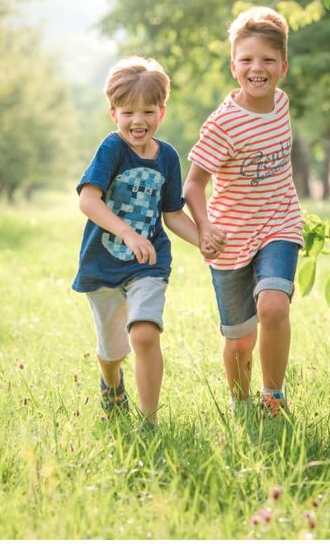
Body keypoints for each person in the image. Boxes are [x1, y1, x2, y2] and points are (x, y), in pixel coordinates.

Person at [184, 6, 304, 418]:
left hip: (280, 222)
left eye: (268, 59)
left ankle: (274, 398)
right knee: (239, 340)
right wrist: (205, 227)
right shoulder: (222, 125)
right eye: (248, 59)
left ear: (283, 66)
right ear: (233, 65)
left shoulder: (282, 104)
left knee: (273, 306)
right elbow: (193, 184)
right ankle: (240, 403)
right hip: (231, 238)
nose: (258, 68)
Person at [72, 56, 202, 425]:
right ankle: (111, 382)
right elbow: (87, 199)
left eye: (147, 111)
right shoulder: (112, 149)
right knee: (112, 351)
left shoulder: (168, 158)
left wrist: (204, 242)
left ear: (162, 111)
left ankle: (149, 422)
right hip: (104, 263)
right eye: (128, 112)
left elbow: (173, 213)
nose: (138, 121)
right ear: (114, 113)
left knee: (144, 333)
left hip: (149, 263)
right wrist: (126, 232)